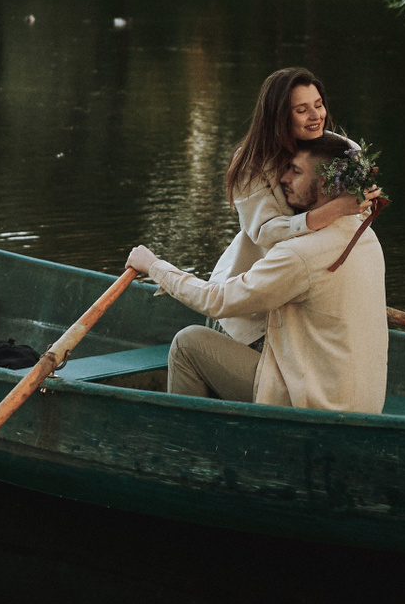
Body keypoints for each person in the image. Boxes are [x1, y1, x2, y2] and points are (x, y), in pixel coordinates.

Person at [126, 133, 387, 413]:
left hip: (316, 405)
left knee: (188, 344)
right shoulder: (365, 236)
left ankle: (185, 439)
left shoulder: (300, 254)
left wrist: (154, 266)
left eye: (295, 171)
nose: (283, 178)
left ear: (325, 183)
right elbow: (346, 149)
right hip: (365, 404)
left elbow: (217, 301)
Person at [210, 67, 372, 348]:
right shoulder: (251, 162)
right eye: (301, 110)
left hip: (314, 303)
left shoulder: (346, 150)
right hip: (254, 310)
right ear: (279, 116)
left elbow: (358, 220)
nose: (316, 116)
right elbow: (266, 233)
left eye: (318, 105)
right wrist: (331, 211)